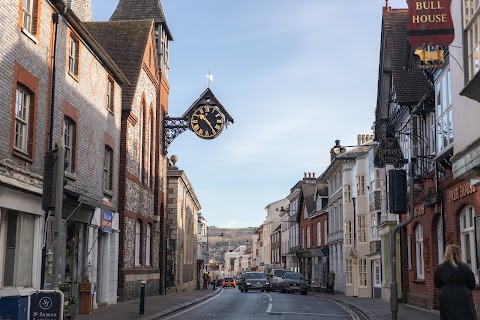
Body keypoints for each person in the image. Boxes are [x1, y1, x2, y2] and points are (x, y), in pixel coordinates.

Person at [434, 244, 478, 320]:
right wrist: (465, 289)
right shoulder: (464, 266)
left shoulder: (440, 267)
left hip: (445, 294)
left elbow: (437, 283)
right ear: (458, 253)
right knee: (466, 315)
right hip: (462, 293)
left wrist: (445, 287)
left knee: (447, 316)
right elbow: (471, 283)